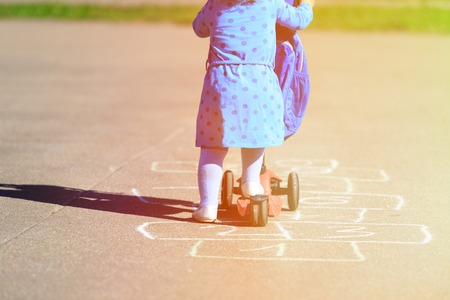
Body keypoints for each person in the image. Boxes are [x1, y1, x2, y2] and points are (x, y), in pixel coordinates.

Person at [192, 0, 315, 222]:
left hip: (220, 85)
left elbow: (198, 28)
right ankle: (251, 182)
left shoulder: (215, 5)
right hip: (259, 83)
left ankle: (208, 206)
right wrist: (307, 4)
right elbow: (299, 20)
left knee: (213, 147)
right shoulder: (269, 3)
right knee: (255, 136)